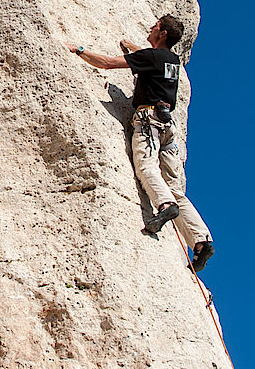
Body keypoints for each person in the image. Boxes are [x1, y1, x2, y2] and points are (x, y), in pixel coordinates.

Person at [64, 15, 215, 271]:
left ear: (163, 33)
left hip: (149, 121)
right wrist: (134, 47)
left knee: (146, 168)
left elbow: (108, 64)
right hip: (168, 127)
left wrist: (77, 50)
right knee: (174, 187)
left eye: (155, 27)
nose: (150, 27)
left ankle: (165, 207)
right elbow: (151, 57)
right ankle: (200, 240)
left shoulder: (153, 58)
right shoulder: (172, 61)